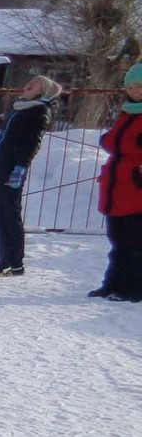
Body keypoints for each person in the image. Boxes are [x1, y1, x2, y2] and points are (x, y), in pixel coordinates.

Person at [0, 74, 62, 277]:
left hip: (11, 170)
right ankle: (3, 259)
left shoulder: (40, 111)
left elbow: (32, 142)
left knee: (9, 216)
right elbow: (0, 141)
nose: (29, 84)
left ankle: (14, 263)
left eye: (35, 83)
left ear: (44, 91)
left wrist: (20, 167)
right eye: (29, 81)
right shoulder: (20, 109)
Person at [92, 62, 142, 301]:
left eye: (141, 86)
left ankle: (134, 288)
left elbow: (120, 144)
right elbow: (113, 141)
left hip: (136, 187)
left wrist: (116, 144)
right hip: (118, 186)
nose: (136, 90)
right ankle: (112, 284)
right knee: (118, 241)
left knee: (135, 244)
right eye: (132, 86)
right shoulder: (127, 112)